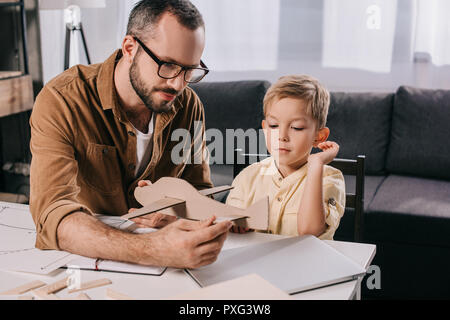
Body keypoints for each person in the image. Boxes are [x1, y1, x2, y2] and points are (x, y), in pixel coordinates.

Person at [29, 0, 232, 269]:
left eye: (189, 70)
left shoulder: (189, 106)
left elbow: (200, 192)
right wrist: (154, 249)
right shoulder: (62, 100)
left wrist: (175, 214)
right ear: (130, 48)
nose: (178, 83)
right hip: (83, 263)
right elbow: (53, 214)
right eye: (168, 65)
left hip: (170, 270)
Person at [226, 75, 345, 240]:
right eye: (274, 126)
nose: (281, 136)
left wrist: (315, 163)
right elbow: (229, 226)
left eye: (296, 127)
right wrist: (235, 224)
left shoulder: (330, 178)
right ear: (264, 128)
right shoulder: (248, 177)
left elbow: (309, 231)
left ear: (319, 136)